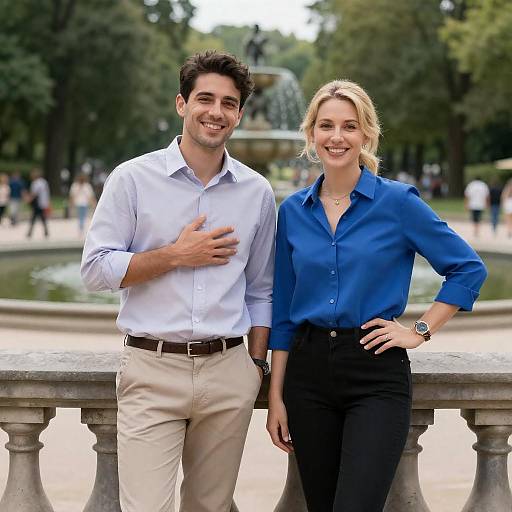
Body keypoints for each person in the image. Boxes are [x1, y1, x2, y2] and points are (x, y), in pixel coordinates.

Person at [266, 80, 487, 512]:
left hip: (375, 371)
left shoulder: (397, 202)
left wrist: (419, 330)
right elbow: (283, 313)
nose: (337, 136)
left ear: (366, 134)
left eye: (349, 126)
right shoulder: (293, 211)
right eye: (326, 125)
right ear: (311, 134)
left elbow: (467, 268)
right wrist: (276, 396)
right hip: (307, 376)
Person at [81, 51, 275, 512]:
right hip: (152, 368)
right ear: (181, 104)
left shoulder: (257, 192)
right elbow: (94, 269)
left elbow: (262, 290)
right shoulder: (132, 179)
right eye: (204, 98)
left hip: (230, 371)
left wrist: (255, 365)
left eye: (228, 103)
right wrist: (174, 256)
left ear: (239, 115)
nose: (216, 111)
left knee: (210, 508)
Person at [26, 169, 50, 238]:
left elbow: (34, 193)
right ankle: (45, 231)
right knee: (42, 217)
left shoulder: (36, 183)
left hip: (38, 203)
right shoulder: (44, 182)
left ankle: (30, 232)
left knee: (35, 217)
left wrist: (29, 199)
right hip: (43, 202)